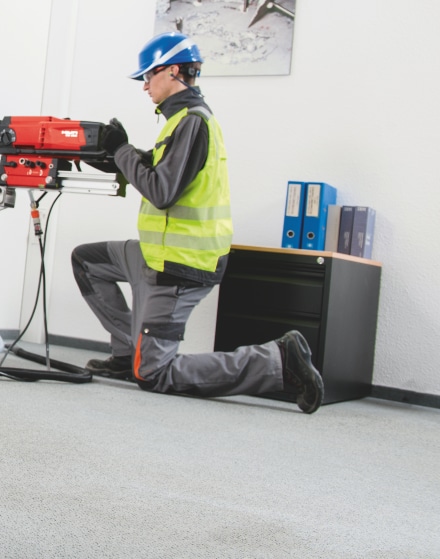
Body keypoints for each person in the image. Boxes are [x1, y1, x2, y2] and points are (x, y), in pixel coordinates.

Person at [72, 32, 325, 413]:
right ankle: (128, 353)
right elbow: (154, 169)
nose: (145, 85)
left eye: (149, 75)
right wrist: (106, 154)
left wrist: (121, 150)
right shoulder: (179, 122)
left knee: (153, 374)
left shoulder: (193, 122)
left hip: (180, 265)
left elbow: (161, 191)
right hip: (156, 254)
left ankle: (277, 361)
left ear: (173, 71)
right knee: (87, 261)